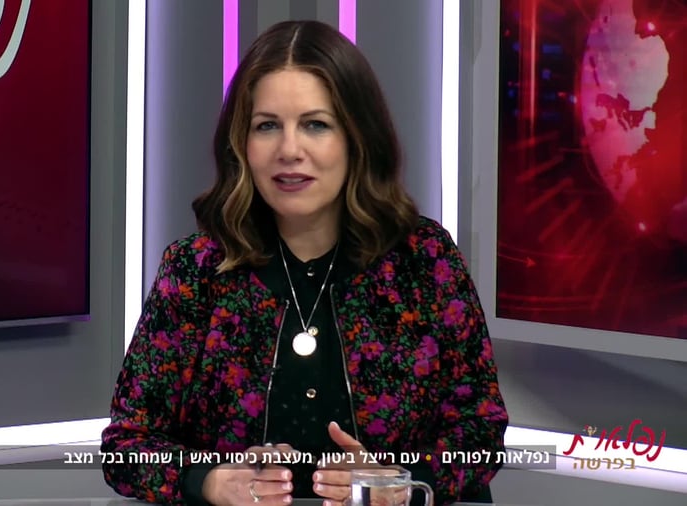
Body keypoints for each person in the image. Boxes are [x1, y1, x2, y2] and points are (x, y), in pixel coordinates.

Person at [101, 19, 508, 506]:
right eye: (267, 126)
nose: (289, 151)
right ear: (241, 143)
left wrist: (402, 482)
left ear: (357, 137)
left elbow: (481, 436)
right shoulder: (195, 270)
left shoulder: (424, 261)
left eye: (316, 124)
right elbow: (126, 445)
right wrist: (208, 481)